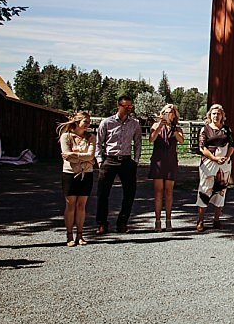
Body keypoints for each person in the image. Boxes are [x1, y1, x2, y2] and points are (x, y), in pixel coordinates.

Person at [93, 95, 143, 234]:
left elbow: (138, 143)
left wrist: (136, 160)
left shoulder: (135, 123)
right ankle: (102, 223)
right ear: (119, 106)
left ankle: (122, 222)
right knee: (103, 193)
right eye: (126, 106)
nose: (129, 109)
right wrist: (100, 160)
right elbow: (99, 143)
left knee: (129, 193)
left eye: (130, 106)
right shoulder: (107, 122)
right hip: (110, 160)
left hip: (127, 161)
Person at [60, 112, 97, 246]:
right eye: (85, 122)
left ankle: (80, 235)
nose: (87, 125)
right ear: (77, 122)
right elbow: (66, 155)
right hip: (70, 173)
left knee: (82, 205)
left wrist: (74, 154)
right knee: (70, 205)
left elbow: (91, 155)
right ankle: (69, 235)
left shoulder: (91, 137)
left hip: (86, 173)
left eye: (89, 122)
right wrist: (84, 157)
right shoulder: (66, 136)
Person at [195, 105, 234, 232]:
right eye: (213, 113)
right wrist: (214, 158)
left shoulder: (227, 130)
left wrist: (226, 157)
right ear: (209, 115)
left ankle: (217, 219)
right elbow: (202, 147)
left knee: (221, 191)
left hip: (224, 164)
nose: (216, 116)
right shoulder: (204, 130)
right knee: (205, 189)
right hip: (208, 163)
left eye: (218, 113)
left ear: (222, 115)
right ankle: (200, 220)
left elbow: (232, 146)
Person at [148, 104, 183, 230]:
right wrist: (159, 127)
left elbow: (181, 140)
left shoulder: (177, 128)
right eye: (166, 112)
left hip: (171, 162)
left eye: (171, 112)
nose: (169, 114)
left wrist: (173, 130)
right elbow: (151, 140)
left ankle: (168, 220)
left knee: (169, 192)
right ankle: (157, 221)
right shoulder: (156, 126)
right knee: (158, 192)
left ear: (174, 115)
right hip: (158, 161)